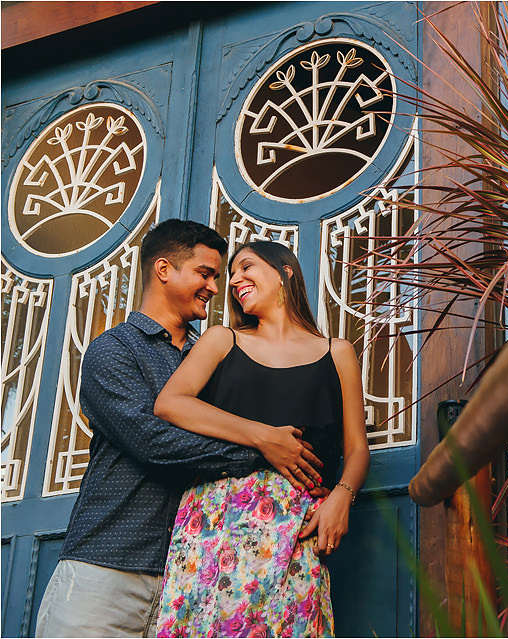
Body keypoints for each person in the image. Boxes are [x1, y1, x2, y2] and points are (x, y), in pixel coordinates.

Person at [36, 221, 324, 638]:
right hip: (106, 564)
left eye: (216, 277)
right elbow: (153, 442)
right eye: (205, 274)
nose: (214, 286)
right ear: (164, 269)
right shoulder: (113, 350)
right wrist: (263, 451)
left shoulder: (222, 357)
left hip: (196, 574)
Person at [153, 240, 370, 637]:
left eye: (245, 267)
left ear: (285, 271)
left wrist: (343, 496)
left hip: (296, 524)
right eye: (230, 275)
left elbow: (357, 448)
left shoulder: (337, 353)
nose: (234, 281)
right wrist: (264, 438)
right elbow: (170, 404)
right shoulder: (223, 340)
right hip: (214, 518)